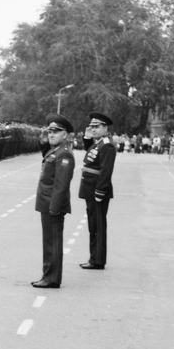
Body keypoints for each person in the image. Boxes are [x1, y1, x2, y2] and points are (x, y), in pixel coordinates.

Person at [32, 114, 75, 289]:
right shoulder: (56, 151)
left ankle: (52, 278)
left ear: (65, 134)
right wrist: (44, 140)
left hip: (53, 204)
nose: (51, 134)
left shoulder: (64, 154)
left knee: (53, 243)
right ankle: (48, 275)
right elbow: (45, 152)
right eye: (50, 131)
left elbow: (61, 185)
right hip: (47, 202)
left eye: (56, 131)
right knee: (49, 241)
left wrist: (55, 207)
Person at [79, 111, 116, 271]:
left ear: (105, 128)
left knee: (98, 226)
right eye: (91, 126)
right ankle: (93, 257)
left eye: (96, 126)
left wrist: (100, 191)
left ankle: (98, 260)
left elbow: (106, 171)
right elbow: (90, 154)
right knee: (92, 226)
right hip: (90, 188)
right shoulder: (98, 143)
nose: (93, 129)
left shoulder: (107, 145)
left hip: (97, 190)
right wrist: (87, 137)